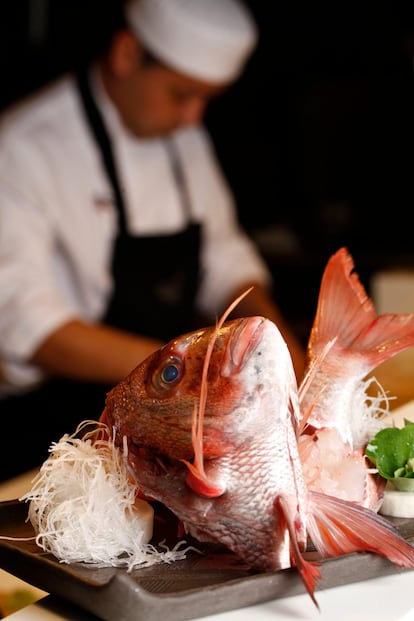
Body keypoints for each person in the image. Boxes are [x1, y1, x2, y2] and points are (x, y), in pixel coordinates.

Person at [0, 0, 306, 480]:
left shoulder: (184, 136)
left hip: (167, 418)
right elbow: (31, 327)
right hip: (52, 432)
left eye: (206, 99)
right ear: (125, 54)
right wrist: (193, 380)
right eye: (182, 94)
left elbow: (224, 258)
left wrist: (277, 347)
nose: (192, 117)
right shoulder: (21, 146)